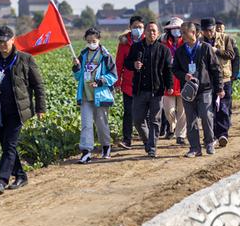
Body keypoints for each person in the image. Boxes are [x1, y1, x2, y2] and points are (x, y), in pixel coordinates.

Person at [0, 26, 46, 194]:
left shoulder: (25, 59)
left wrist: (40, 108)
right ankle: (21, 175)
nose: (2, 45)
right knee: (7, 145)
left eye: (5, 41)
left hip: (18, 109)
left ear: (13, 40)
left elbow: (38, 86)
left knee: (9, 145)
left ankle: (1, 180)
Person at [124, 21, 174, 157]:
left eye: (154, 31)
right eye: (149, 30)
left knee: (155, 120)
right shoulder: (136, 47)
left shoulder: (164, 50)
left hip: (156, 90)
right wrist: (134, 64)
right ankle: (147, 141)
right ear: (144, 33)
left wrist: (169, 86)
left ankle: (152, 147)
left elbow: (168, 70)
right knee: (138, 120)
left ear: (158, 33)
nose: (151, 33)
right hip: (139, 90)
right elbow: (127, 63)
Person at [174, 22, 224, 157]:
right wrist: (184, 75)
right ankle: (195, 148)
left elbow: (215, 69)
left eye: (185, 32)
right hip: (188, 91)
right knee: (191, 120)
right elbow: (175, 69)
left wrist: (219, 87)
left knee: (206, 116)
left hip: (205, 89)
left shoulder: (205, 48)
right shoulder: (180, 51)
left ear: (194, 33)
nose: (182, 35)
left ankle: (209, 142)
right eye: (181, 32)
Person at [72, 28, 118, 163]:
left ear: (99, 40)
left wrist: (100, 81)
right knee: (86, 124)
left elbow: (113, 76)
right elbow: (78, 77)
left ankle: (106, 146)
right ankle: (86, 151)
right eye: (89, 41)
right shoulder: (82, 55)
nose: (91, 43)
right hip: (86, 95)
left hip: (100, 96)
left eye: (94, 41)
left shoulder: (105, 56)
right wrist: (76, 68)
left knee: (101, 123)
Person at [200, 18, 235, 147]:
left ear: (214, 28)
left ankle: (223, 134)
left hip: (224, 78)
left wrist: (217, 51)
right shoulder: (200, 41)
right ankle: (213, 135)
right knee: (210, 109)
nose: (208, 33)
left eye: (210, 30)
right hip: (208, 80)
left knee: (224, 108)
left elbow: (231, 55)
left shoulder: (225, 38)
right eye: (205, 31)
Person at [115, 16, 145, 149]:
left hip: (145, 83)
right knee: (128, 112)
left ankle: (147, 138)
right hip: (128, 83)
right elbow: (119, 63)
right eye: (135, 27)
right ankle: (127, 140)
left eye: (140, 27)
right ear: (130, 28)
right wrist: (117, 82)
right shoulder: (124, 42)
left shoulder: (147, 41)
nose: (137, 29)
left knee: (145, 112)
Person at [161, 17, 187, 145]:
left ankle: (181, 135)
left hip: (183, 80)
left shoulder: (187, 43)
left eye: (179, 28)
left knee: (182, 111)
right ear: (169, 30)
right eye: (174, 29)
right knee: (168, 110)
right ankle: (173, 125)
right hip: (168, 81)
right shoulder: (164, 43)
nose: (176, 31)